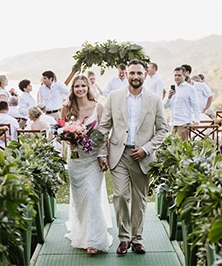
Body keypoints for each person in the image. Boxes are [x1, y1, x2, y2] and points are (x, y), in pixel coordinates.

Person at [96, 59, 169, 255]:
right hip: (119, 154)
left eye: (139, 73)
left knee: (140, 199)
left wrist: (146, 148)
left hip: (142, 157)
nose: (135, 76)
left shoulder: (154, 100)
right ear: (126, 74)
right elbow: (104, 127)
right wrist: (101, 152)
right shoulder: (114, 96)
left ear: (146, 75)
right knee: (120, 195)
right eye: (132, 73)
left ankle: (137, 239)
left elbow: (163, 130)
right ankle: (124, 238)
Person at [60, 74, 113, 255]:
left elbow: (104, 133)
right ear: (73, 89)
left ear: (88, 87)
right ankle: (82, 233)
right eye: (77, 86)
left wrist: (102, 154)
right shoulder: (67, 108)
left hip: (93, 159)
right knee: (80, 199)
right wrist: (71, 137)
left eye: (83, 85)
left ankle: (94, 240)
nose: (80, 89)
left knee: (91, 194)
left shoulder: (98, 107)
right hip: (75, 159)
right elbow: (62, 132)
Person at [164, 67, 201, 141]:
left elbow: (195, 105)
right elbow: (164, 106)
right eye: (175, 75)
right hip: (173, 123)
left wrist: (197, 121)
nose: (177, 77)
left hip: (184, 123)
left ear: (185, 76)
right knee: (173, 149)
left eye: (179, 75)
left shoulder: (190, 88)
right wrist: (169, 97)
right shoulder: (170, 89)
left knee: (181, 148)